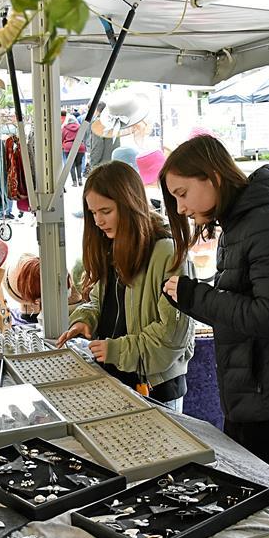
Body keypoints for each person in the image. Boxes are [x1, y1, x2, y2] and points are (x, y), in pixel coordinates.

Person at [159, 135, 269, 489]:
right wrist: (194, 297)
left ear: (213, 177)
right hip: (259, 393)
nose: (180, 209)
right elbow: (243, 305)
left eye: (182, 193)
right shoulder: (242, 222)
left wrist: (195, 296)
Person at [57, 161, 194, 411]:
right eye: (93, 213)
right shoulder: (110, 244)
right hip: (113, 380)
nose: (98, 221)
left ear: (130, 203)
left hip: (156, 390)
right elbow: (100, 301)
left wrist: (115, 350)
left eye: (106, 211)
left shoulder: (167, 252)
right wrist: (85, 320)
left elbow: (172, 337)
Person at [61, 110, 86, 187]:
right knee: (79, 164)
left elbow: (62, 138)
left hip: (68, 147)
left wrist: (63, 145)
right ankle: (80, 180)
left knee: (71, 165)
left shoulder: (65, 128)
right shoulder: (80, 127)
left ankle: (74, 182)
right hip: (80, 147)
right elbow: (83, 137)